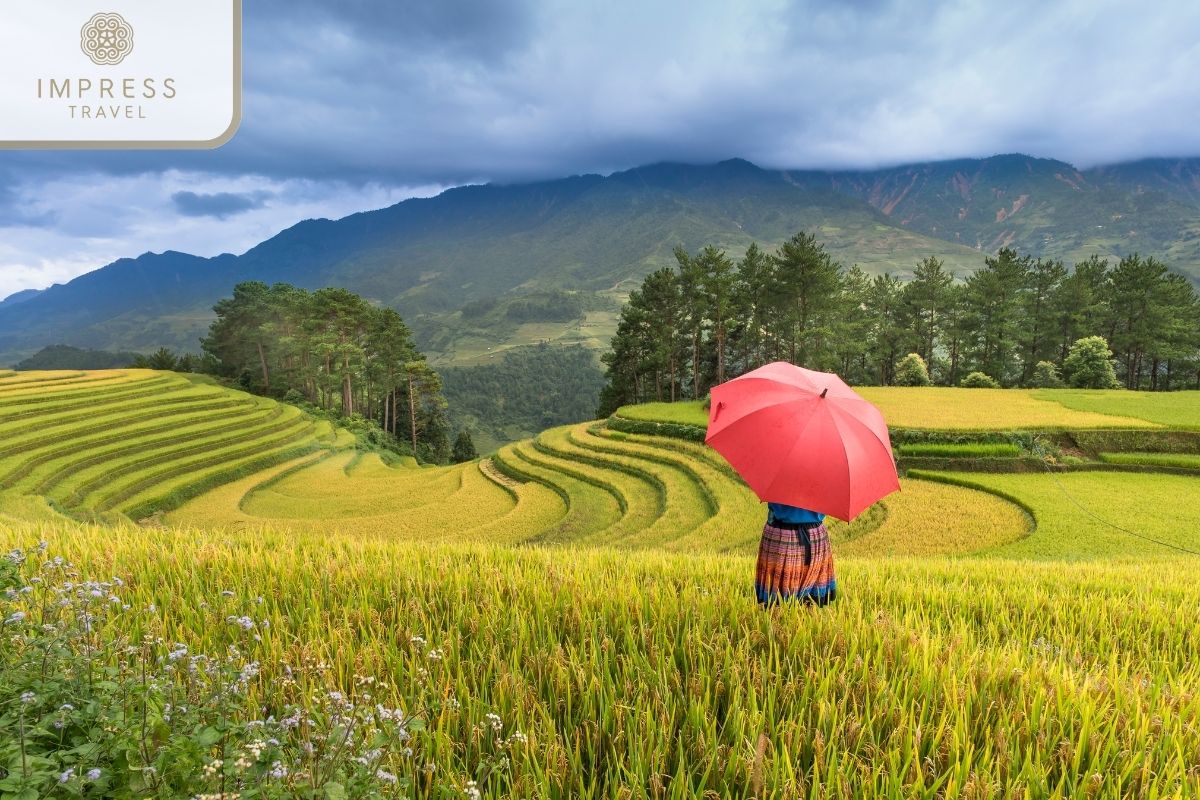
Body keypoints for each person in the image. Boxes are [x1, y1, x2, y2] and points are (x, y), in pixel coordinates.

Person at [755, 501, 836, 607]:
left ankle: (780, 616)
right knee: (810, 602)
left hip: (781, 535)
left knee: (777, 599)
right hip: (814, 535)